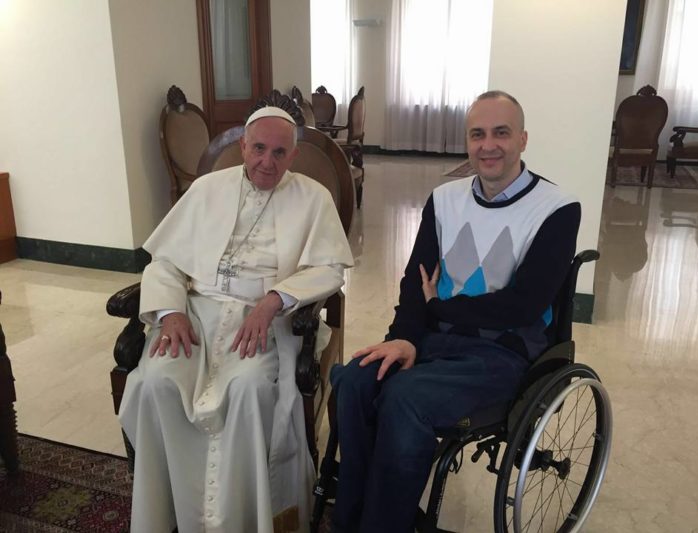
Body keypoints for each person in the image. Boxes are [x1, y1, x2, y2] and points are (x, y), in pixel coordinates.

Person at [331, 91, 581, 533]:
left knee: (404, 398)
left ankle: (384, 524)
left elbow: (524, 305)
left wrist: (441, 307)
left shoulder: (557, 209)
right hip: (433, 339)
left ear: (522, 139)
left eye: (501, 133)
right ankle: (353, 517)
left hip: (504, 353)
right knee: (353, 381)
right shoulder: (444, 199)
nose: (488, 145)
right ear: (467, 141)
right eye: (477, 135)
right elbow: (416, 279)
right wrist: (405, 336)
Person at [118, 106, 354, 533]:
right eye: (259, 148)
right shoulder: (207, 189)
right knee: (156, 382)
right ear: (243, 146)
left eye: (279, 153)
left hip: (264, 318)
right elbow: (165, 260)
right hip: (196, 311)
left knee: (249, 387)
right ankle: (172, 508)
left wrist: (274, 300)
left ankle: (243, 516)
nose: (267, 162)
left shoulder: (313, 197)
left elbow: (330, 269)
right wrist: (170, 312)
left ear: (293, 155)